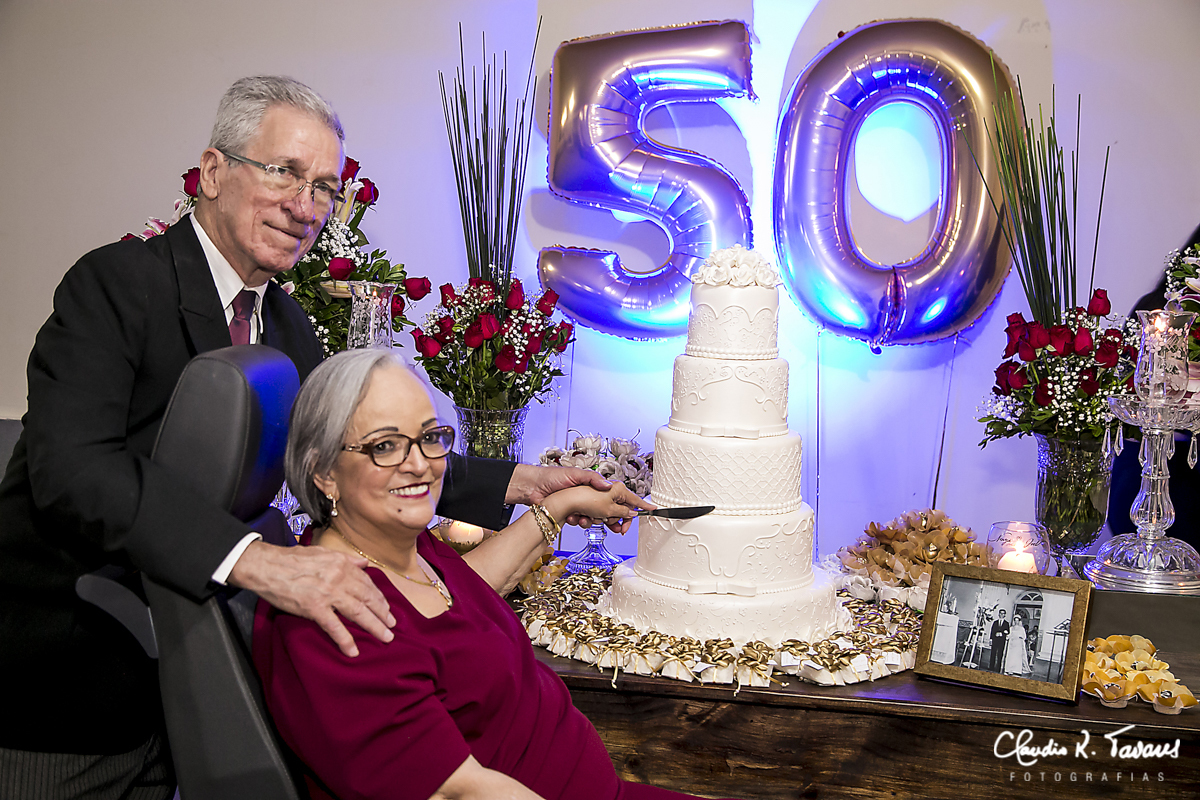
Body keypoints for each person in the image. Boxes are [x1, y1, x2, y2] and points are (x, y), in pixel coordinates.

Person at [0, 76, 619, 800]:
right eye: (283, 172)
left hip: (179, 673)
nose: (305, 206)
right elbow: (72, 470)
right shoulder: (117, 284)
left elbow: (362, 449)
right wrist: (257, 561)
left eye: (324, 187)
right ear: (212, 172)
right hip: (66, 674)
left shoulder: (283, 322)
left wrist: (519, 483)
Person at [254, 350, 716, 800]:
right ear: (323, 472)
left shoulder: (400, 545)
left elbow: (462, 598)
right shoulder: (333, 613)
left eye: (429, 437)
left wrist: (560, 505)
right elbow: (458, 790)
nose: (420, 463)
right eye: (385, 446)